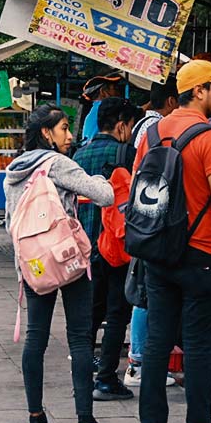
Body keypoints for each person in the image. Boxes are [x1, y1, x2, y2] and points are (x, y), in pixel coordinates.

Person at [133, 59, 211, 423]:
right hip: (204, 255)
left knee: (157, 344)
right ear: (199, 91)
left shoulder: (152, 133)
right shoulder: (210, 137)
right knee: (199, 348)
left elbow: (140, 190)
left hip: (160, 254)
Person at [4, 105, 114, 423]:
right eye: (64, 129)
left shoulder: (14, 170)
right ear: (46, 134)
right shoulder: (58, 164)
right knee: (80, 338)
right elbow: (105, 195)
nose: (69, 136)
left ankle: (35, 419)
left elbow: (11, 223)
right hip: (68, 261)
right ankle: (84, 422)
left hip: (34, 264)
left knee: (36, 336)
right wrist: (95, 179)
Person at [73, 97, 139, 401]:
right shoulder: (125, 152)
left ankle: (83, 370)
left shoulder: (79, 154)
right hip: (115, 246)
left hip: (85, 246)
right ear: (122, 125)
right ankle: (107, 378)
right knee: (116, 314)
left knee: (90, 312)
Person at [124, 78, 180, 390]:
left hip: (144, 219)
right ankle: (138, 362)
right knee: (146, 296)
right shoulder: (158, 129)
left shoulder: (142, 127)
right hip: (155, 220)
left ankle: (139, 360)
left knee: (143, 294)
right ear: (171, 101)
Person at [79, 75, 123, 144]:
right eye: (115, 88)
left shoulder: (94, 111)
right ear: (103, 92)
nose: (119, 93)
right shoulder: (106, 109)